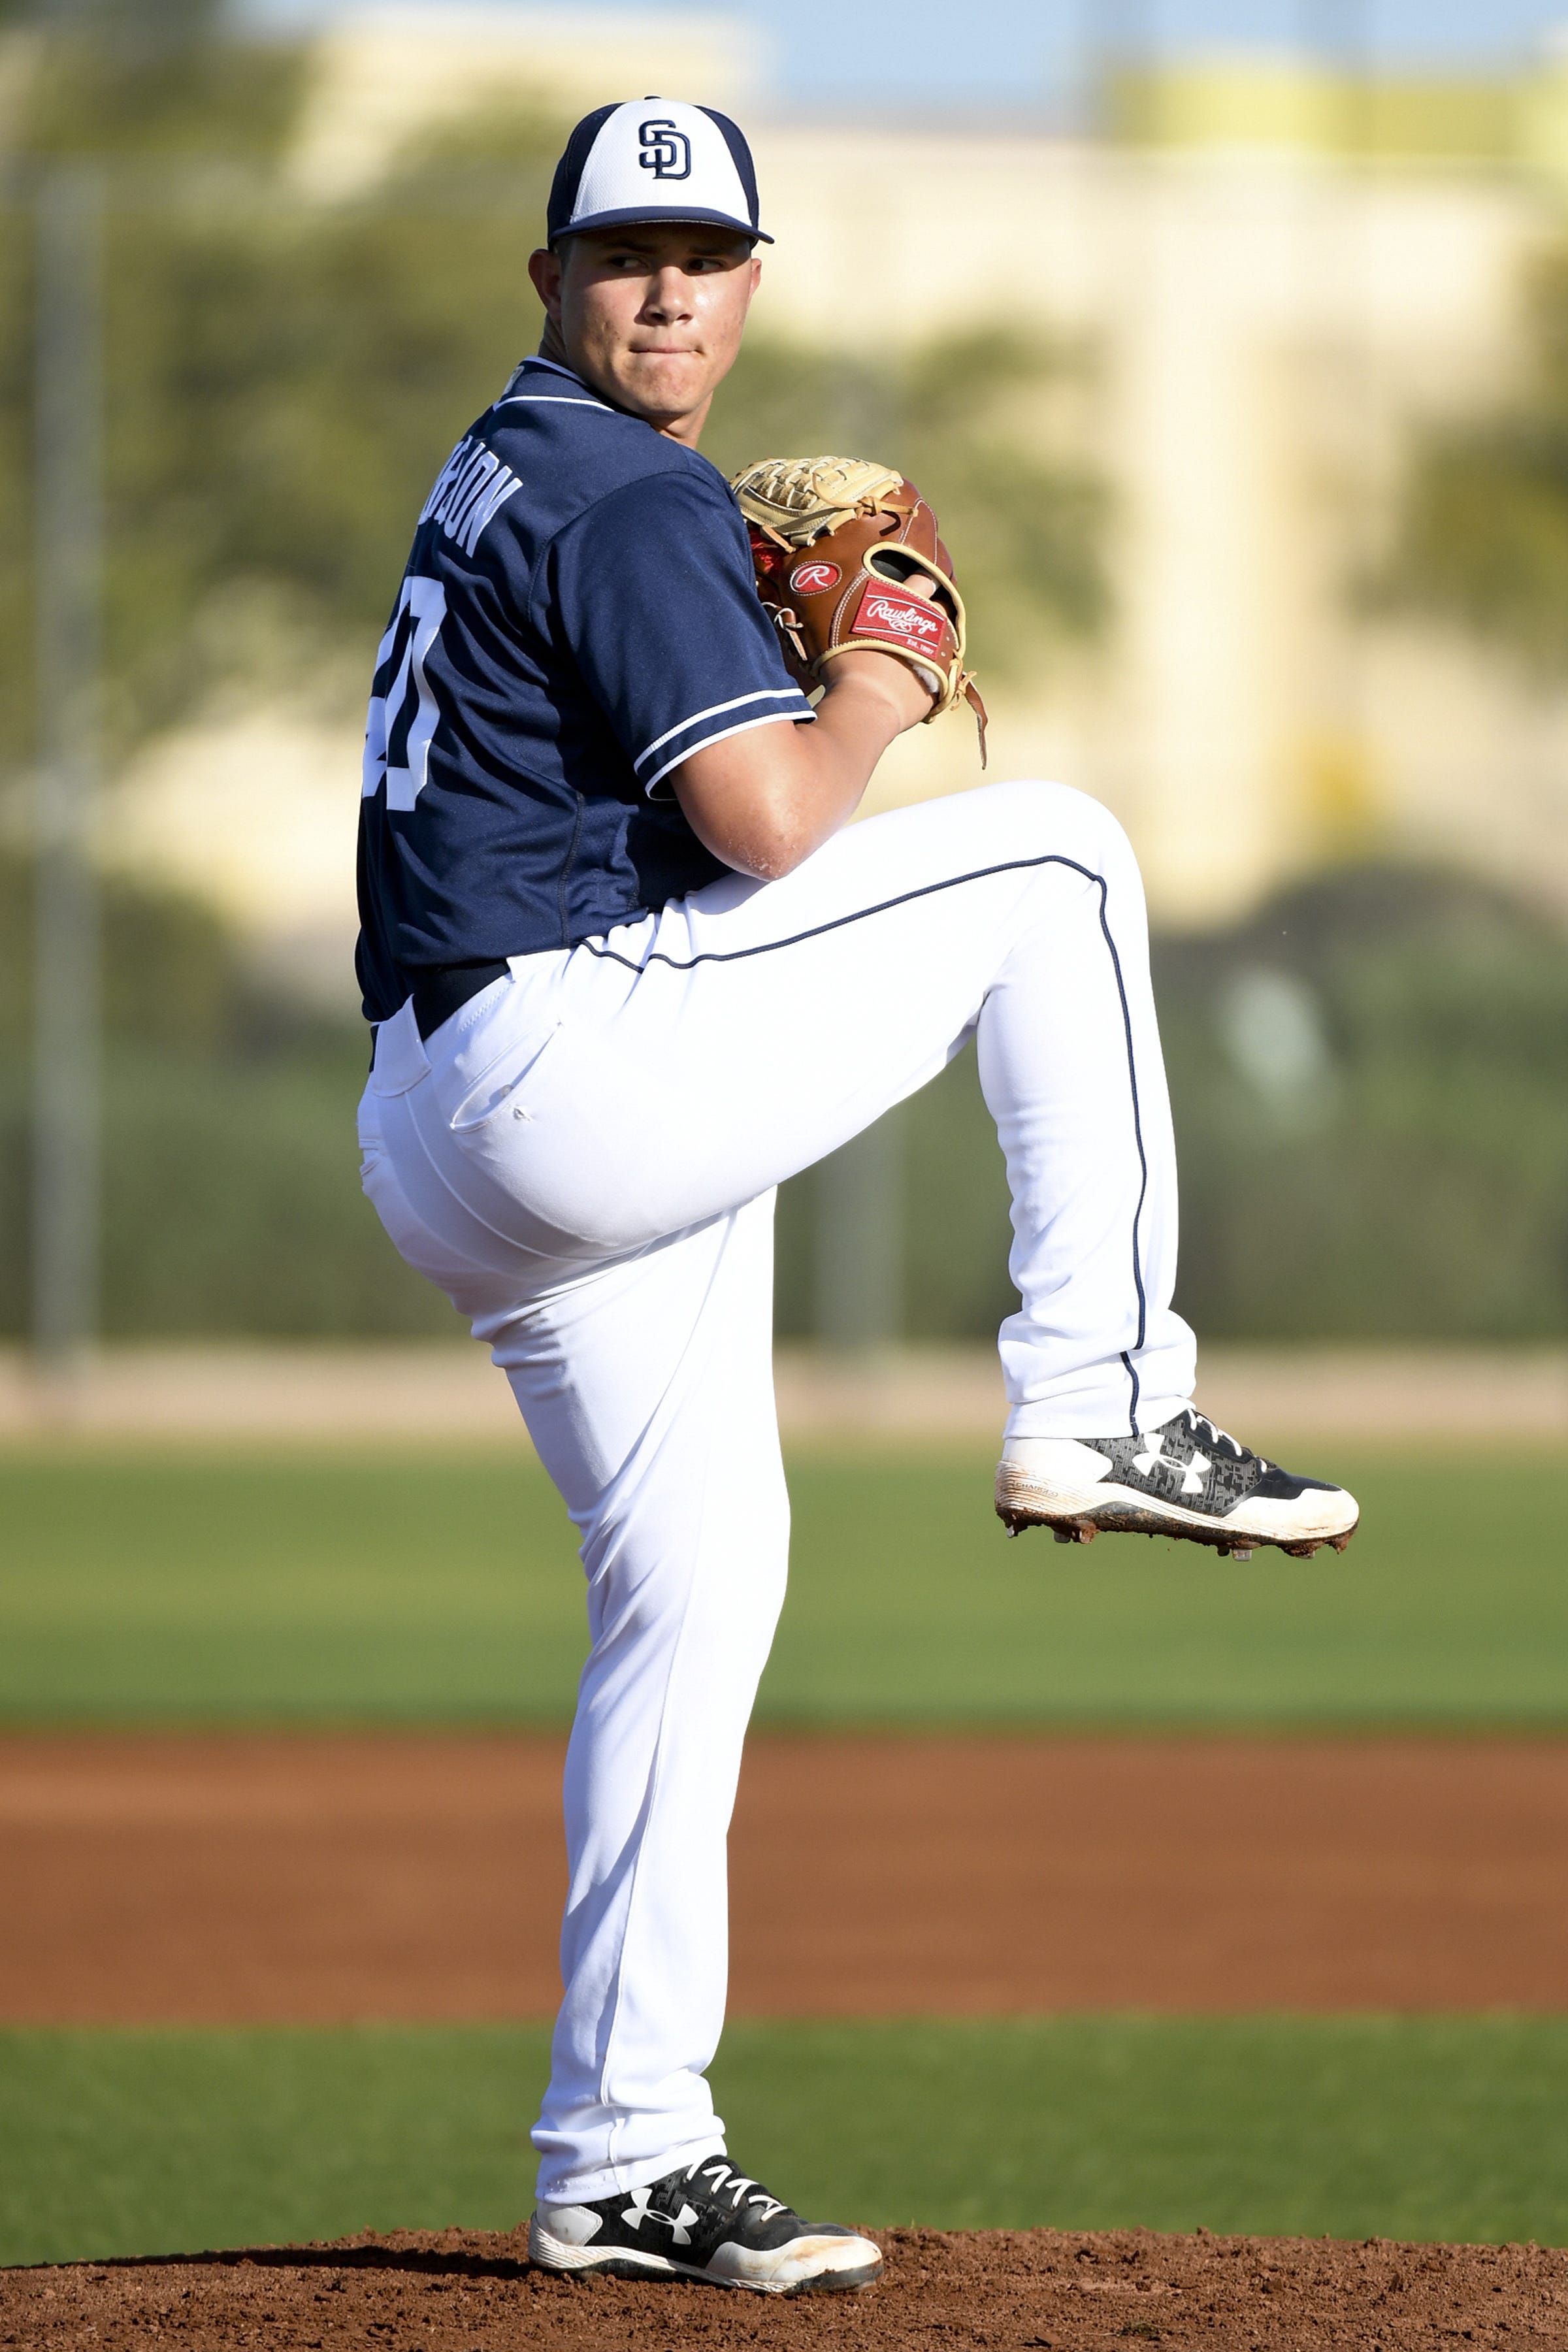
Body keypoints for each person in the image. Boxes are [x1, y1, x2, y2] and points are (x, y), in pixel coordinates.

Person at [354, 96, 1357, 2298]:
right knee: (1061, 858)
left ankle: (624, 2150)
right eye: (625, 253)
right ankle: (1103, 1393)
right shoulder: (623, 486)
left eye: (703, 254)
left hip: (450, 1106)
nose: (667, 290)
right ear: (551, 280)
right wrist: (884, 666)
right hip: (562, 1060)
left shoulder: (506, 462)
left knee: (698, 1588)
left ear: (749, 280)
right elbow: (775, 822)